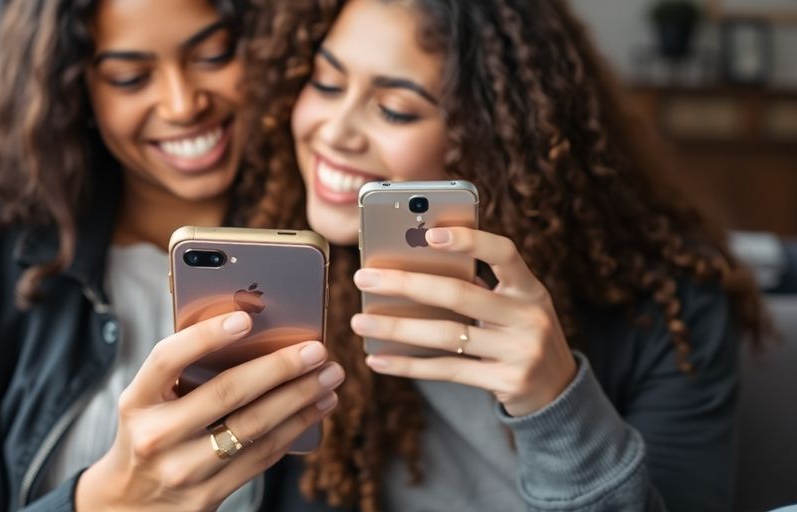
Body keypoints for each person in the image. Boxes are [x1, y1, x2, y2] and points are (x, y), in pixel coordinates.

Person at [241, 0, 769, 510]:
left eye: (396, 109)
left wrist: (554, 403)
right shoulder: (297, 275)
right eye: (327, 83)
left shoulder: (674, 311)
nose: (333, 131)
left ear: (489, 133)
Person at [0, 1, 345, 510]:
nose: (182, 104)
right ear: (76, 87)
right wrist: (112, 499)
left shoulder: (331, 244)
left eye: (213, 55)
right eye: (129, 77)